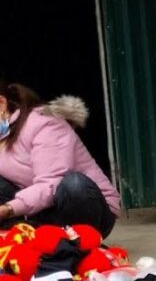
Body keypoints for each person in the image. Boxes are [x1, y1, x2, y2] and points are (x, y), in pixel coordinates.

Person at [0, 80, 121, 237]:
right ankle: (29, 237)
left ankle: (79, 240)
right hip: (40, 210)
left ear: (2, 103)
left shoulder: (44, 123)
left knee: (74, 184)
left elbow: (51, 183)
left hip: (87, 207)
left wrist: (9, 208)